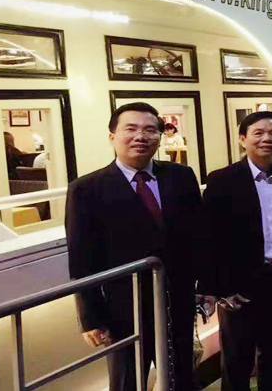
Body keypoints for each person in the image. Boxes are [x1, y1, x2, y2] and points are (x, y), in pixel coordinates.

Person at [65, 102, 202, 391]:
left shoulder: (181, 177)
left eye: (150, 130)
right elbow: (81, 259)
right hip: (123, 309)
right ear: (112, 136)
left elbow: (199, 237)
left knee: (181, 377)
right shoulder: (87, 189)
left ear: (160, 137)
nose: (141, 136)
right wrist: (90, 317)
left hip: (176, 300)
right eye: (131, 129)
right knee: (127, 380)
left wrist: (206, 287)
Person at [199, 111, 272, 391]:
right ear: (242, 139)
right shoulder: (223, 180)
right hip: (239, 287)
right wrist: (220, 289)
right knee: (237, 360)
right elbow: (209, 238)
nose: (267, 138)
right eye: (258, 133)